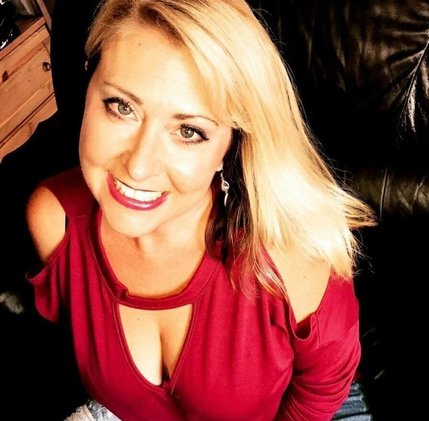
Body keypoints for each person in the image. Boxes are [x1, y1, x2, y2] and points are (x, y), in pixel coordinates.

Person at [25, 0, 375, 419]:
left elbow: (322, 389)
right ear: (87, 89)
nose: (139, 165)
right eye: (121, 106)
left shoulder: (289, 249)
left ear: (231, 144)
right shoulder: (55, 221)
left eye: (189, 131)